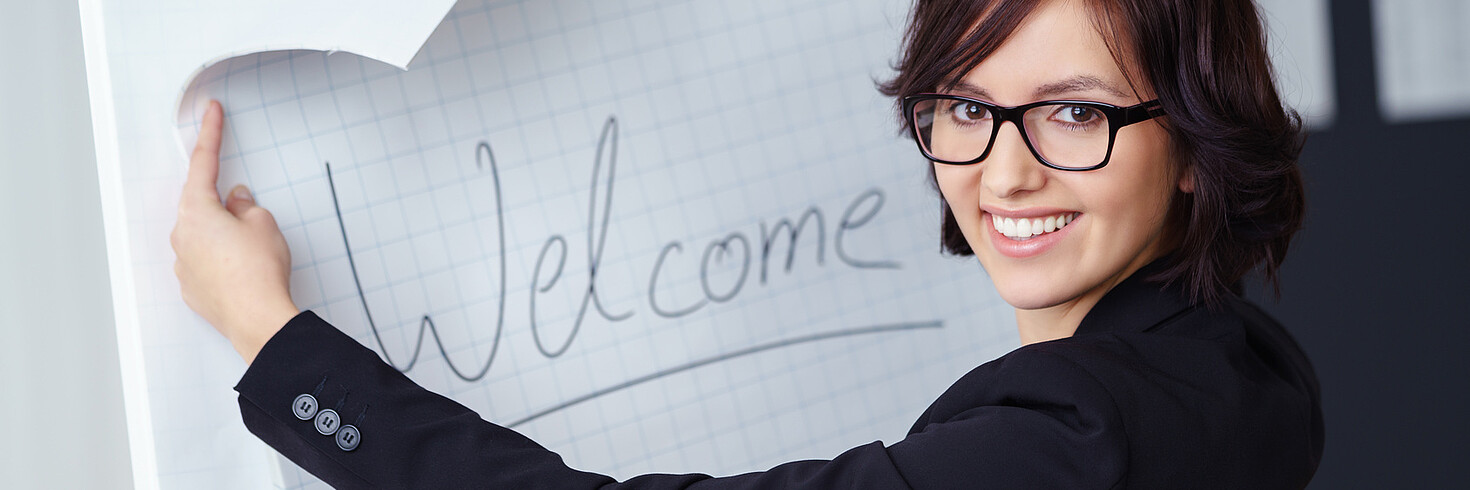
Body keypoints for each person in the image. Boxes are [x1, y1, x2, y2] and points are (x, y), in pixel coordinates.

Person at [171, 0, 1323, 487]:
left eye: (1075, 112)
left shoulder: (1075, 440)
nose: (1003, 169)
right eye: (966, 107)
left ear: (1194, 138)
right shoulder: (1241, 362)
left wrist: (275, 340)